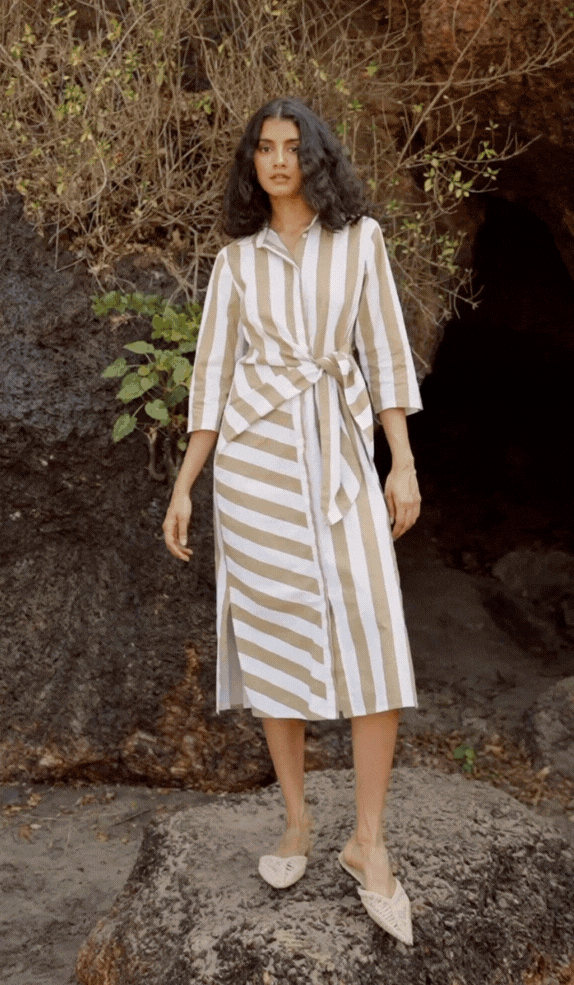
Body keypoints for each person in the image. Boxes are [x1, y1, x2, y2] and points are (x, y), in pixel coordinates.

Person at [163, 97, 422, 947]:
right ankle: (298, 819)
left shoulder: (362, 241)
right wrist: (186, 485)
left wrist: (401, 461)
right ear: (252, 162)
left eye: (292, 146)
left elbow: (385, 352)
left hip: (342, 453)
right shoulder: (236, 262)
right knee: (274, 631)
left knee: (374, 629)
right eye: (265, 148)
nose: (278, 160)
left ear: (317, 157)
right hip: (256, 462)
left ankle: (368, 839)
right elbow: (210, 378)